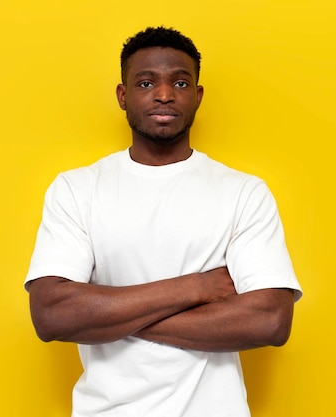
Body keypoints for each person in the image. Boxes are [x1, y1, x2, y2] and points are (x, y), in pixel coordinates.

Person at [25, 26, 303, 417]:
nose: (164, 93)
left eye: (180, 82)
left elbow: (271, 320)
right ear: (123, 96)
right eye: (145, 82)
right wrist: (198, 286)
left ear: (198, 96)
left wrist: (106, 313)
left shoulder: (243, 192)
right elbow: (52, 315)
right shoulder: (77, 189)